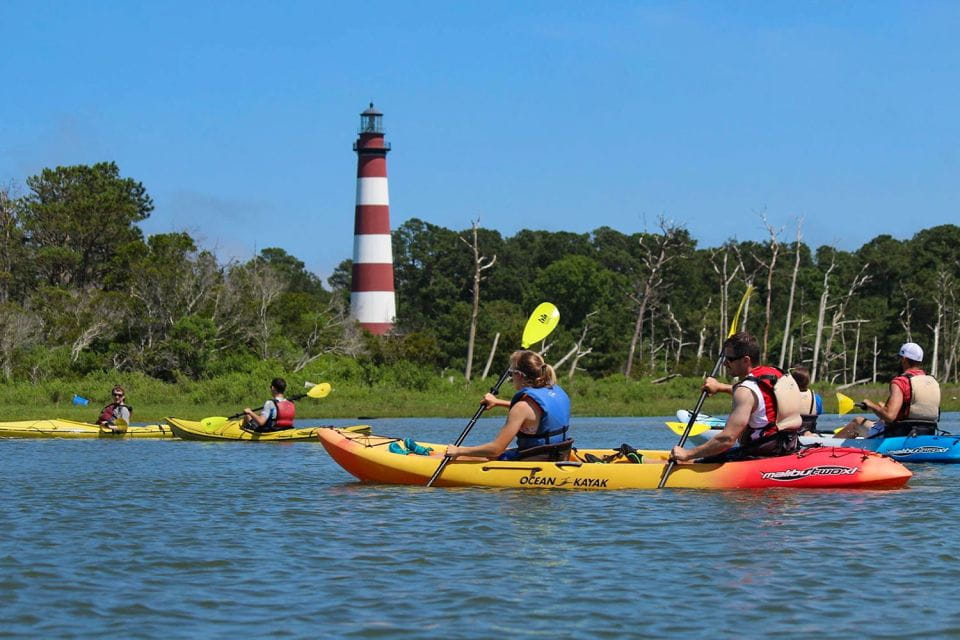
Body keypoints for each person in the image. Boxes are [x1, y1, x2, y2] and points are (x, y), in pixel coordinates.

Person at [671, 332, 803, 463]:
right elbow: (759, 397)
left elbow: (727, 439)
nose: (725, 364)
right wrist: (720, 387)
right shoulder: (774, 373)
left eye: (730, 359)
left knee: (695, 460)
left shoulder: (745, 391)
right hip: (788, 447)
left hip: (761, 454)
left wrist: (687, 454)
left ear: (746, 360)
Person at [444, 350, 572, 462]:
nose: (511, 378)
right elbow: (535, 412)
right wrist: (498, 402)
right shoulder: (555, 392)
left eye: (512, 373)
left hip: (534, 460)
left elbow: (496, 450)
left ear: (520, 375)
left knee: (471, 456)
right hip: (560, 454)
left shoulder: (521, 408)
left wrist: (459, 451)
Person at [834, 342, 941, 439]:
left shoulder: (901, 381)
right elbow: (913, 408)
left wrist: (871, 405)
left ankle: (828, 447)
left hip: (899, 433)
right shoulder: (932, 380)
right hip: (927, 432)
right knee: (878, 419)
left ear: (904, 359)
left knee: (856, 422)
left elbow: (890, 416)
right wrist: (882, 407)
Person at [790, 365, 823, 435]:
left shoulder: (787, 397)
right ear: (808, 381)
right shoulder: (816, 397)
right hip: (810, 430)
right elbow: (819, 412)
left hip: (793, 433)